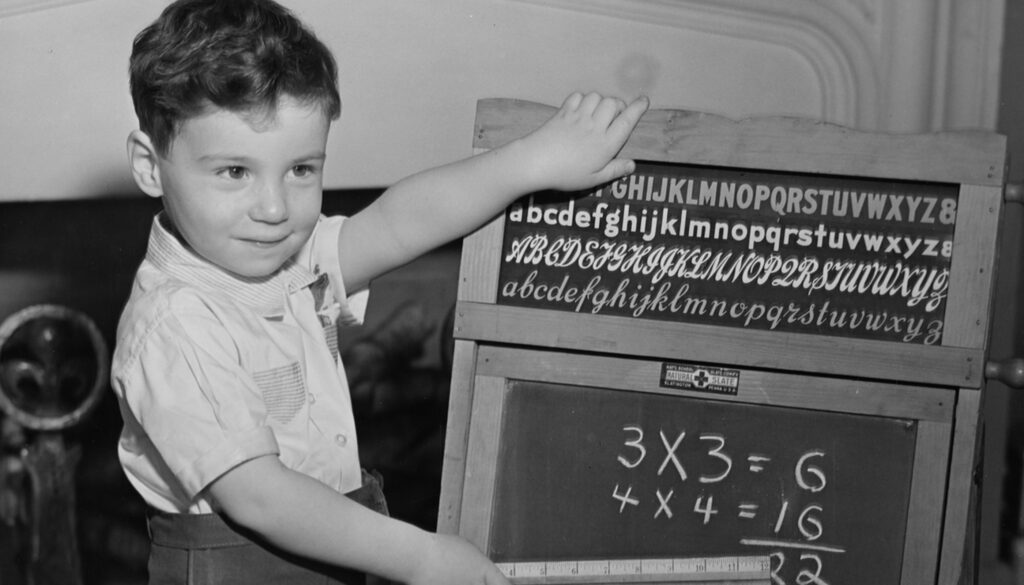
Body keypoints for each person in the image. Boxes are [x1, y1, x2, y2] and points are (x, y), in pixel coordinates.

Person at [112, 0, 648, 584]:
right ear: (149, 164)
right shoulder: (176, 322)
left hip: (328, 546)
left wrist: (532, 163)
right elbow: (260, 497)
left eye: (301, 170)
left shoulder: (287, 259)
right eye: (234, 172)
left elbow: (397, 223)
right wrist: (422, 556)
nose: (273, 208)